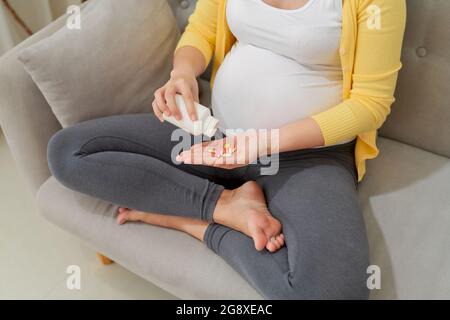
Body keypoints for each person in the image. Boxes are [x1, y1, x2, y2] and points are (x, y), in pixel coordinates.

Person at [47, 0, 407, 299]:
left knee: (335, 293)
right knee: (69, 152)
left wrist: (261, 144)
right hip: (214, 136)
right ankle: (224, 205)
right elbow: (202, 30)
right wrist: (183, 74)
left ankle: (195, 223)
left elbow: (370, 104)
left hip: (306, 156)